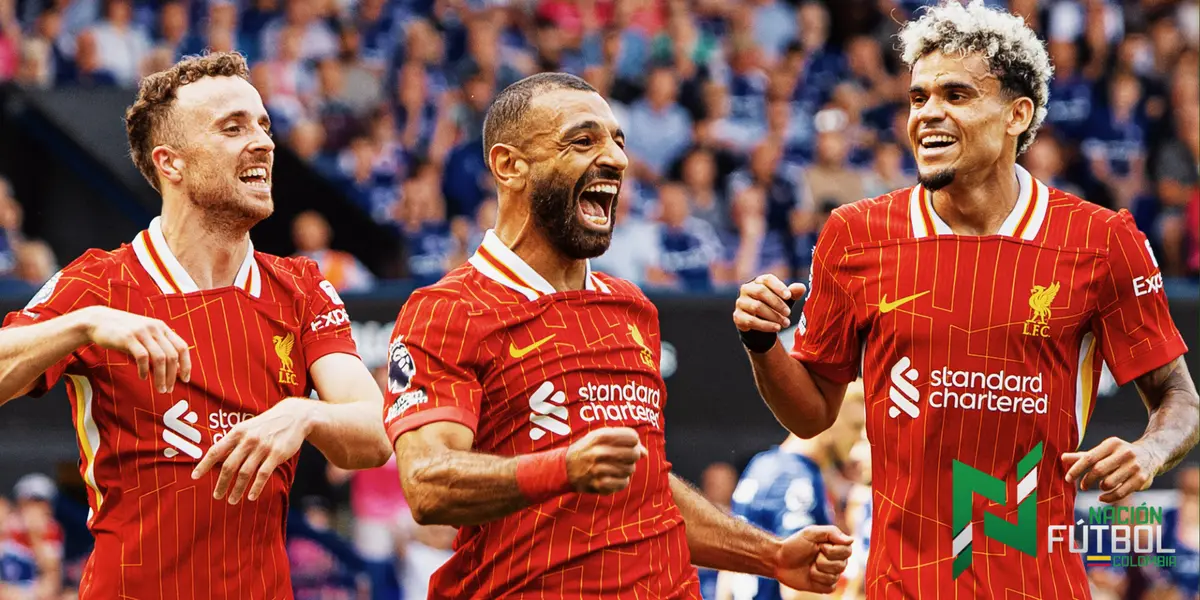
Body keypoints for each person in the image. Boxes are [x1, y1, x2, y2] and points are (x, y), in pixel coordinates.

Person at [731, 1, 1199, 597]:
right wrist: (762, 343)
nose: (928, 113)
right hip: (902, 586)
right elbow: (812, 412)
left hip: (1040, 585)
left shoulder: (1101, 241)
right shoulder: (854, 234)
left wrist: (1150, 452)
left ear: (1015, 114)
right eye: (918, 97)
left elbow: (1180, 399)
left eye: (956, 95)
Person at [385, 72, 852, 599]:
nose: (617, 159)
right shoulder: (447, 311)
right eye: (583, 140)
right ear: (508, 165)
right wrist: (563, 468)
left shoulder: (631, 308)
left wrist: (771, 555)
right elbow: (427, 483)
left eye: (618, 141)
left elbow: (647, 485)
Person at [0, 52, 392, 598]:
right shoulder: (99, 285)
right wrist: (83, 325)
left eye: (263, 124)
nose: (263, 142)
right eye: (233, 128)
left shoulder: (301, 286)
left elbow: (371, 438)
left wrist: (304, 414)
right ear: (171, 163)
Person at [715, 381, 866, 600]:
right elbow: (797, 592)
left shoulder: (761, 464)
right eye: (854, 426)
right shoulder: (798, 481)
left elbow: (727, 565)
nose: (858, 438)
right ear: (831, 419)